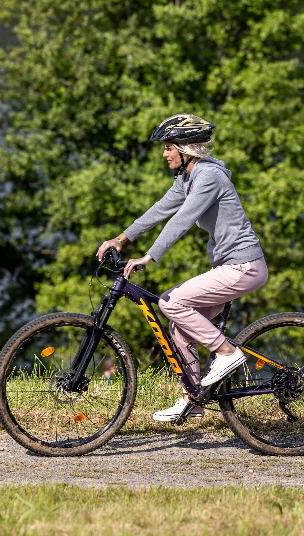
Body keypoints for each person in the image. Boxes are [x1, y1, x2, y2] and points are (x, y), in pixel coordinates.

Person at [96, 114, 268, 422]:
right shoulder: (188, 177)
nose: (164, 154)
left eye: (167, 147)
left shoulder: (209, 177)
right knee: (180, 325)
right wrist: (121, 239)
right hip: (229, 267)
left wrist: (149, 256)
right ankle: (194, 400)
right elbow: (161, 210)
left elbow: (182, 220)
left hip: (243, 266)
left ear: (186, 148)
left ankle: (227, 352)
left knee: (170, 302)